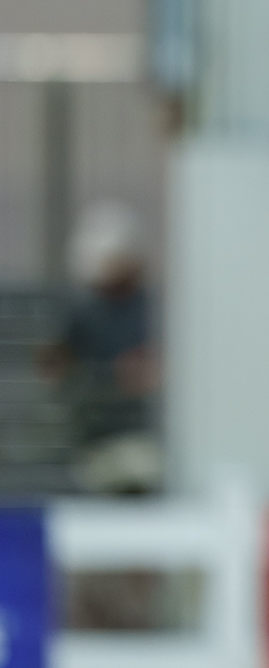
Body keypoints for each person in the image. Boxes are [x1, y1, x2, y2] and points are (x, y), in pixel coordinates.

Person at [42, 202, 163, 495]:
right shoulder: (81, 311)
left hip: (140, 435)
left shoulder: (150, 308)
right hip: (93, 436)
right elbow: (54, 365)